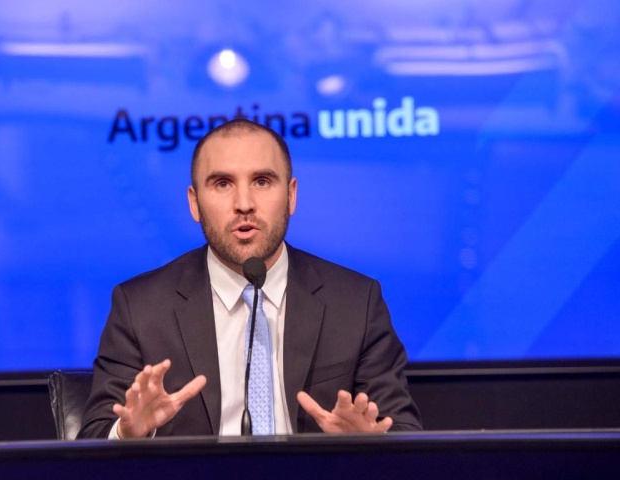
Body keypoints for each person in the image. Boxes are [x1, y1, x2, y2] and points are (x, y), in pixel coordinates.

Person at [78, 119, 421, 439]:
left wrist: (369, 447)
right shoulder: (140, 308)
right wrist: (129, 433)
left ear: (291, 196)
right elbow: (93, 438)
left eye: (262, 181)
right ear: (194, 203)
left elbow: (405, 432)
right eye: (222, 184)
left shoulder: (356, 303)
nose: (244, 204)